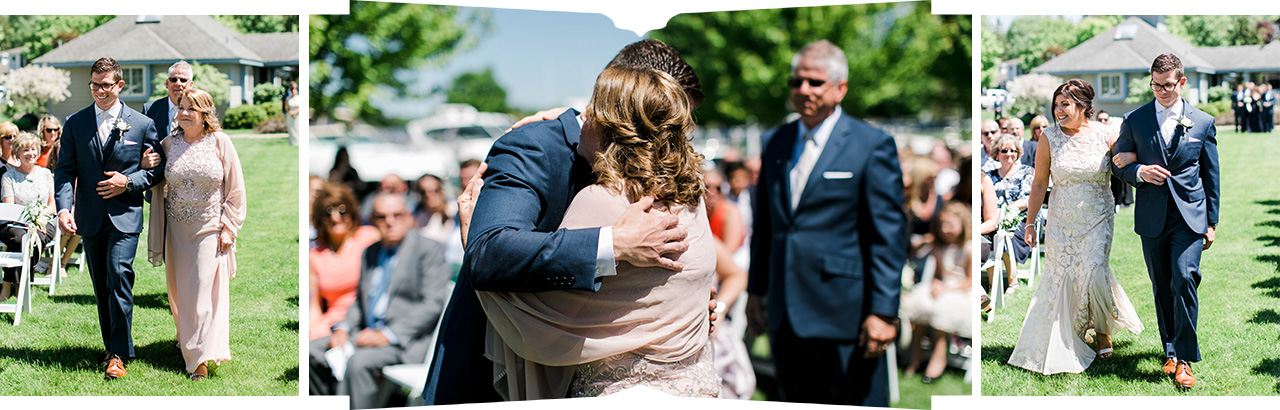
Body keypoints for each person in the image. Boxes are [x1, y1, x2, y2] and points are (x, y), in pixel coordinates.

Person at [422, 38, 705, 404]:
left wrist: (682, 305)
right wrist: (610, 244)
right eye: (663, 116)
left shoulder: (660, 170)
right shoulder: (535, 145)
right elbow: (489, 249)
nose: (673, 135)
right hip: (493, 371)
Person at [746, 40, 905, 406]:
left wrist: (883, 311)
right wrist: (757, 290)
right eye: (796, 81)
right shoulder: (775, 141)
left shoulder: (871, 144)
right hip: (785, 308)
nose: (803, 90)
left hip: (846, 311)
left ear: (840, 88)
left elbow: (888, 235)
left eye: (815, 82)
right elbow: (767, 225)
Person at [1008, 78, 1144, 375]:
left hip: (1097, 216)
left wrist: (1136, 162)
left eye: (1065, 104)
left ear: (1083, 106)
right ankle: (1072, 330)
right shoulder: (1049, 137)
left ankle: (1102, 332)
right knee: (1067, 274)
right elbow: (1040, 183)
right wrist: (1031, 223)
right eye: (1056, 105)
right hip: (1061, 219)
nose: (1058, 110)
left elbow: (1125, 165)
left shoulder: (1107, 134)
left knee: (1094, 271)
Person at [1111, 54, 1219, 389]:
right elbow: (1118, 164)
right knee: (1162, 286)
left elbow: (1211, 175)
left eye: (1168, 85)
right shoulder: (1134, 119)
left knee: (1184, 278)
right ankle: (1170, 351)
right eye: (1156, 85)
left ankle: (1185, 359)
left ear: (1181, 82)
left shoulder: (1202, 121)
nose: (1161, 91)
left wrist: (1212, 221)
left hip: (1190, 215)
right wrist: (1139, 171)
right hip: (1152, 216)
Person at [53, 57, 164, 379]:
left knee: (118, 274)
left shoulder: (141, 124)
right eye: (94, 85)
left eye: (105, 85)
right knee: (102, 286)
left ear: (119, 85)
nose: (99, 91)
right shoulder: (75, 122)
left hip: (125, 215)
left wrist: (128, 182)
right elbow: (64, 171)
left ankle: (119, 353)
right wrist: (63, 207)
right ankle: (111, 346)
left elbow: (156, 169)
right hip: (89, 215)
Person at [141, 88, 246, 380]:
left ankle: (198, 360)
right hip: (177, 229)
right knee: (181, 294)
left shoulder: (220, 142)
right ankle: (190, 342)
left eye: (191, 108)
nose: (183, 112)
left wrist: (229, 226)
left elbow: (236, 190)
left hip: (209, 227)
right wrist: (147, 165)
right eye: (181, 107)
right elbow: (154, 177)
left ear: (205, 114)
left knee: (202, 290)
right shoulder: (168, 143)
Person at [310, 193, 452, 409]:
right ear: (372, 219)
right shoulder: (371, 251)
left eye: (397, 215)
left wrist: (387, 335)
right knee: (312, 352)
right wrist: (343, 328)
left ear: (408, 216)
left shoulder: (429, 249)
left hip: (404, 341)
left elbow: (432, 304)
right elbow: (360, 301)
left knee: (359, 363)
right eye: (382, 217)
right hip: (365, 335)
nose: (390, 222)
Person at [901, 202, 972, 383]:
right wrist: (935, 284)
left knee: (942, 309)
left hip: (962, 291)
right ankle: (916, 356)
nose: (944, 229)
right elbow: (938, 275)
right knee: (918, 304)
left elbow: (970, 281)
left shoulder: (969, 248)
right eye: (941, 225)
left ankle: (938, 358)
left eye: (950, 225)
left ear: (962, 225)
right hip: (943, 287)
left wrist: (945, 288)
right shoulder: (939, 248)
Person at [308, 182, 378, 340]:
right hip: (332, 323)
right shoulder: (315, 255)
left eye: (342, 210)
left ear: (352, 213)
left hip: (364, 319)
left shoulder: (369, 238)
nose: (335, 217)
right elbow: (315, 306)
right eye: (328, 212)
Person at [0, 133, 56, 301]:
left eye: (33, 149)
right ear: (17, 153)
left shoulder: (46, 174)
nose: (30, 153)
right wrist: (28, 220)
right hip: (14, 222)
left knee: (33, 239)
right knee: (19, 238)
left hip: (43, 222)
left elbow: (52, 206)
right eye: (25, 150)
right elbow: (10, 207)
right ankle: (11, 285)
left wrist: (39, 217)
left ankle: (11, 284)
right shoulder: (8, 177)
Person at [986, 133, 1034, 291]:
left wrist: (1007, 210)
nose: (1009, 154)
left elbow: (1027, 200)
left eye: (1012, 151)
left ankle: (1012, 283)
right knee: (986, 240)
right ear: (997, 153)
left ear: (1018, 152)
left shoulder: (1027, 172)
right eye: (1004, 151)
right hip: (994, 220)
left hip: (1020, 219)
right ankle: (994, 285)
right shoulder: (989, 176)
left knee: (1006, 240)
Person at [143, 61, 194, 138]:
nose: (178, 83)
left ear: (190, 85)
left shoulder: (200, 110)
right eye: (173, 80)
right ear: (167, 83)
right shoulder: (150, 109)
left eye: (183, 80)